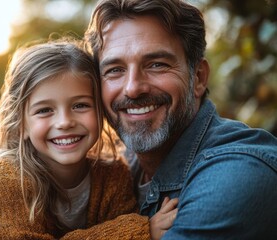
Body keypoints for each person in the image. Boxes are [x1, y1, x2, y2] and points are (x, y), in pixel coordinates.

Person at [84, 0, 277, 239]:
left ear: (198, 77)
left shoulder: (236, 175)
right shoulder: (111, 172)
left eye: (156, 64)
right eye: (114, 70)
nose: (133, 88)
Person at [0, 38, 178, 239]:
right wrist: (138, 231)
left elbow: (121, 221)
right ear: (21, 125)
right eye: (44, 110)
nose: (64, 122)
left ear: (101, 112)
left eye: (80, 105)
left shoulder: (113, 175)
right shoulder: (9, 177)